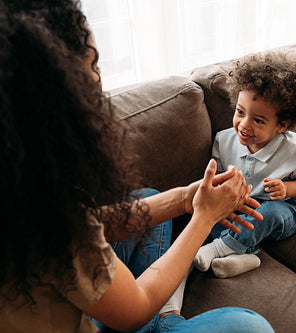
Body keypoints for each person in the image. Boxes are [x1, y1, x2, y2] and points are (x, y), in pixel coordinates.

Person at [0, 1, 275, 332]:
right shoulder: (47, 217)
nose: (99, 83)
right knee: (249, 327)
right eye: (93, 67)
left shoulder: (19, 178)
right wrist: (204, 217)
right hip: (117, 314)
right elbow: (133, 310)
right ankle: (165, 322)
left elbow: (90, 224)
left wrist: (184, 200)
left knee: (144, 202)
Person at [193, 52, 296, 278]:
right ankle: (246, 255)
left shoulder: (293, 149)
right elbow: (220, 176)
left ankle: (220, 248)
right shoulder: (224, 140)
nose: (244, 124)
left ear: (281, 125)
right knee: (211, 215)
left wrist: (287, 190)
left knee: (269, 211)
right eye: (240, 112)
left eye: (258, 120)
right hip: (243, 208)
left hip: (284, 210)